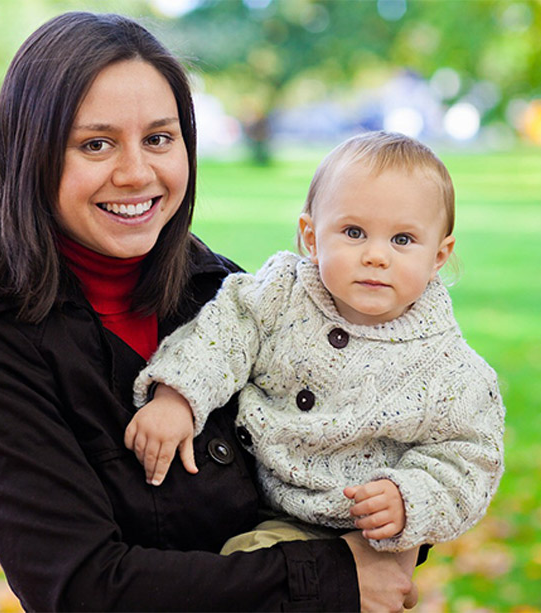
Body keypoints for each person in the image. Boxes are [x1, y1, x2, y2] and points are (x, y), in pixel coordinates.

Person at [0, 12, 420, 612]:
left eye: (159, 138)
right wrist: (336, 577)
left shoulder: (232, 296)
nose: (137, 173)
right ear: (31, 154)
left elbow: (367, 453)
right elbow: (84, 590)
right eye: (96, 144)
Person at [128, 132, 505, 567]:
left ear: (439, 255)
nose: (376, 256)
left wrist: (409, 498)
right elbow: (222, 335)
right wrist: (178, 396)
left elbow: (470, 459)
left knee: (249, 565)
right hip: (253, 492)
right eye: (353, 232)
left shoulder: (452, 372)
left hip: (357, 531)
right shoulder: (280, 295)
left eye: (402, 240)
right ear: (311, 235)